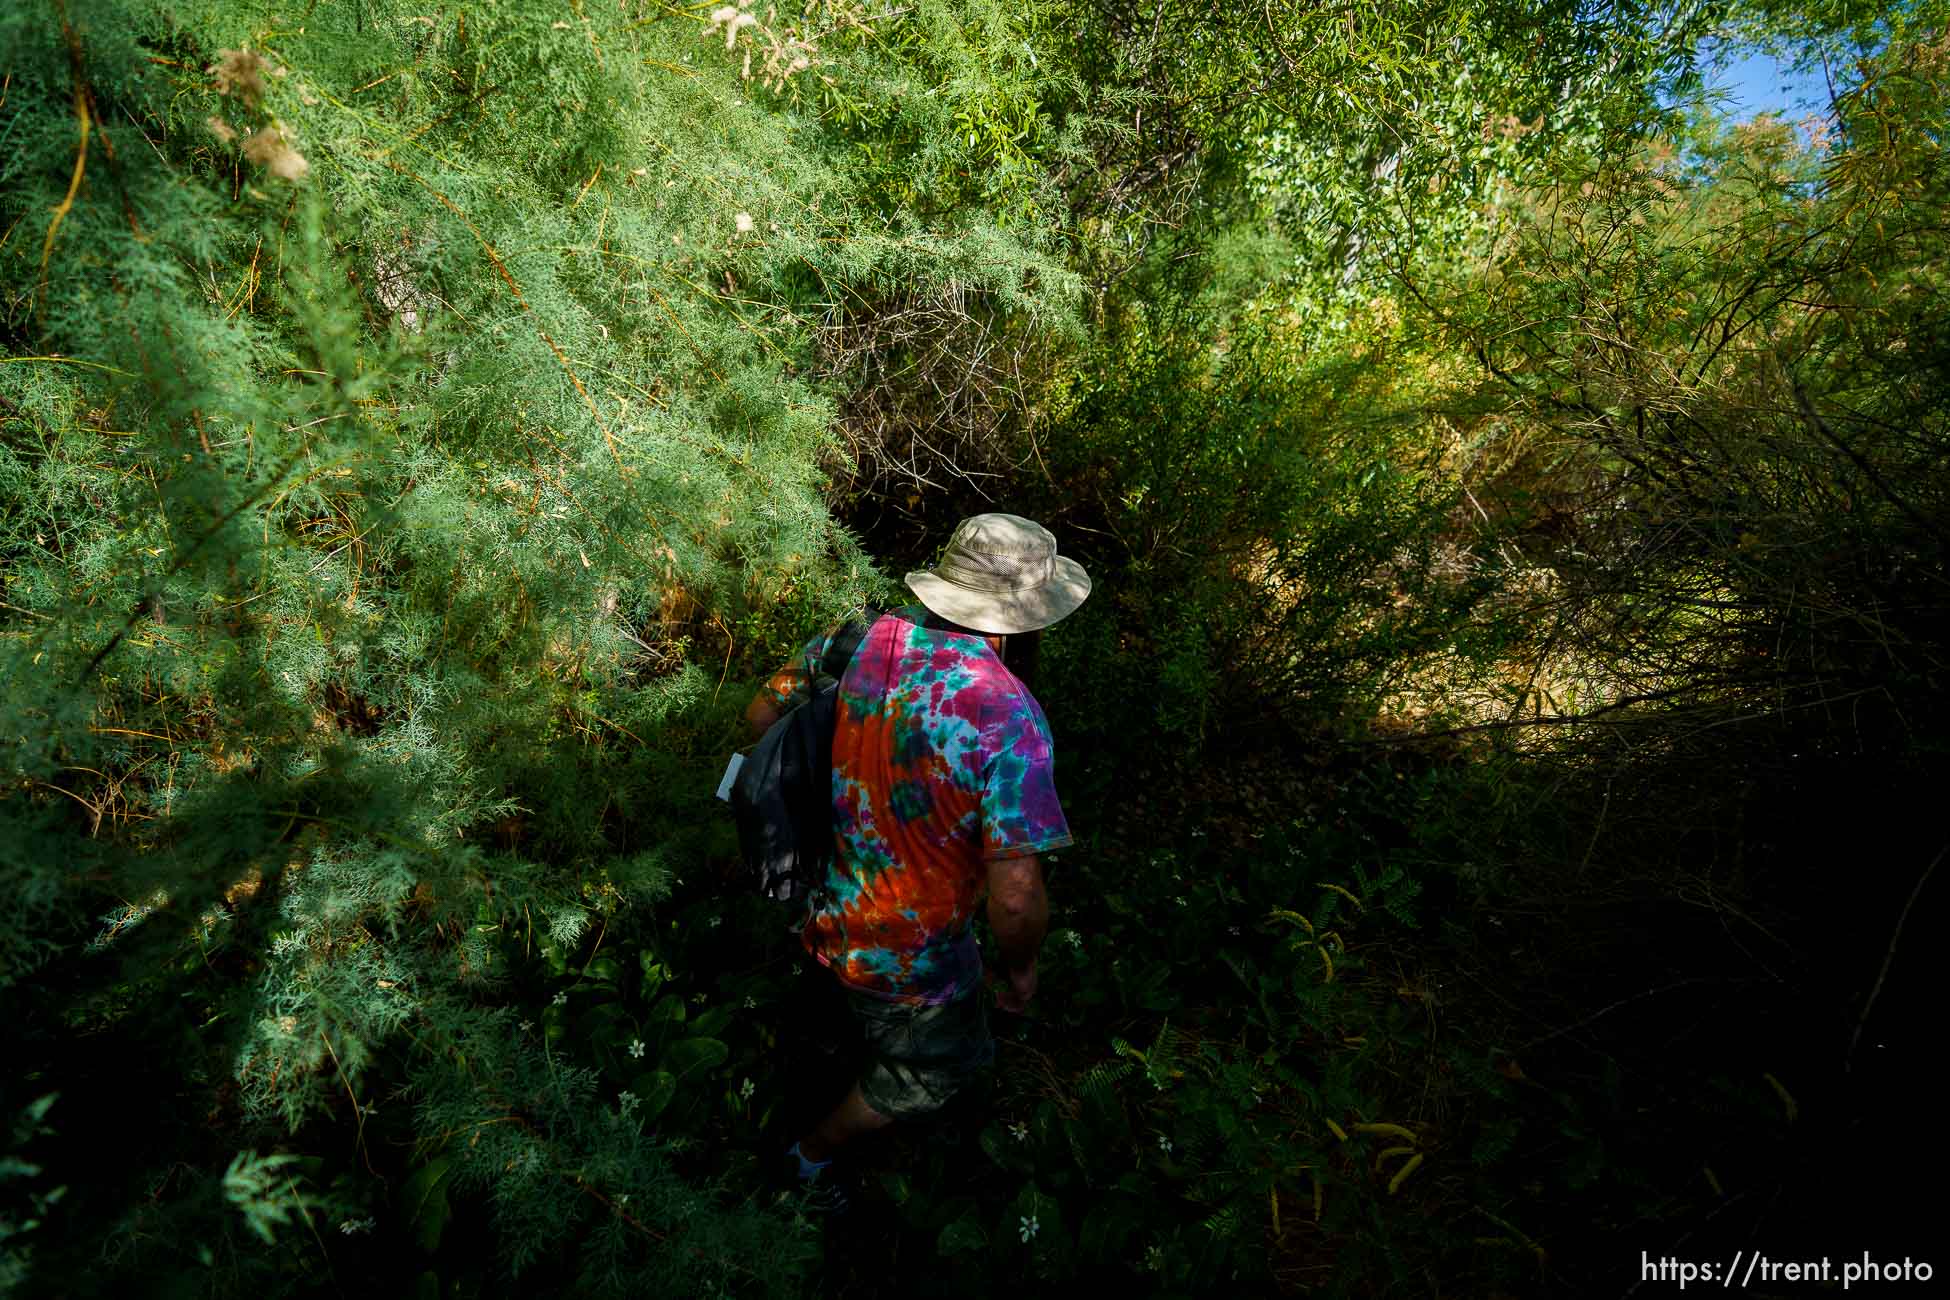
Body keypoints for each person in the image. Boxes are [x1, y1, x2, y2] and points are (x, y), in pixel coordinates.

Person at [743, 513, 1091, 1214]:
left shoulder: (861, 636)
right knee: (934, 1069)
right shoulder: (1008, 717)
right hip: (908, 959)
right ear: (1022, 617)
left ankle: (816, 1055)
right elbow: (1016, 897)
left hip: (813, 897)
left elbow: (760, 717)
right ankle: (809, 1157)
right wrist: (1020, 969)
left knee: (834, 1020)